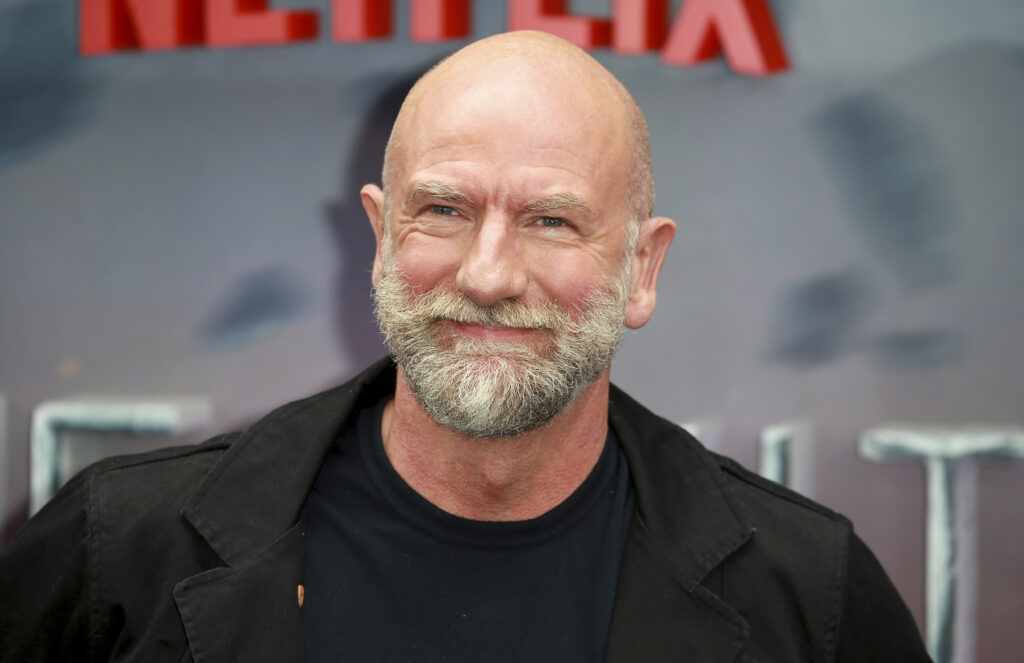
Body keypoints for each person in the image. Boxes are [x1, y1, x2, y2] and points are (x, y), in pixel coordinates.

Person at [0, 31, 930, 663]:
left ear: (642, 268)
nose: (487, 275)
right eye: (444, 209)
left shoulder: (811, 596)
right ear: (380, 238)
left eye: (551, 220)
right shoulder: (118, 555)